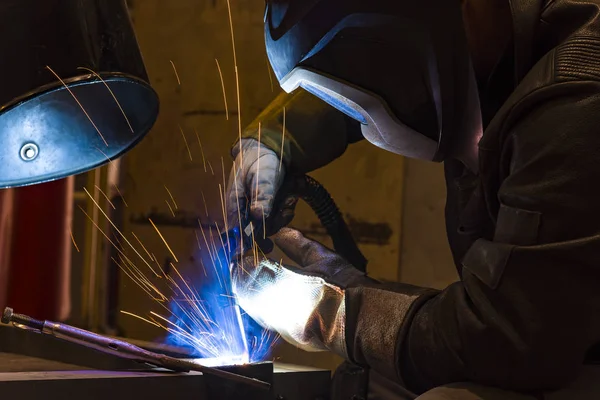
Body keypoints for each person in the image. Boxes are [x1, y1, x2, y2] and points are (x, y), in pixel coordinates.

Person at [226, 0, 600, 398]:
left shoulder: (576, 102)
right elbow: (379, 70)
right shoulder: (487, 47)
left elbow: (510, 339)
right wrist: (275, 141)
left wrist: (331, 313)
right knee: (366, 381)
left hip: (557, 351)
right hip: (544, 338)